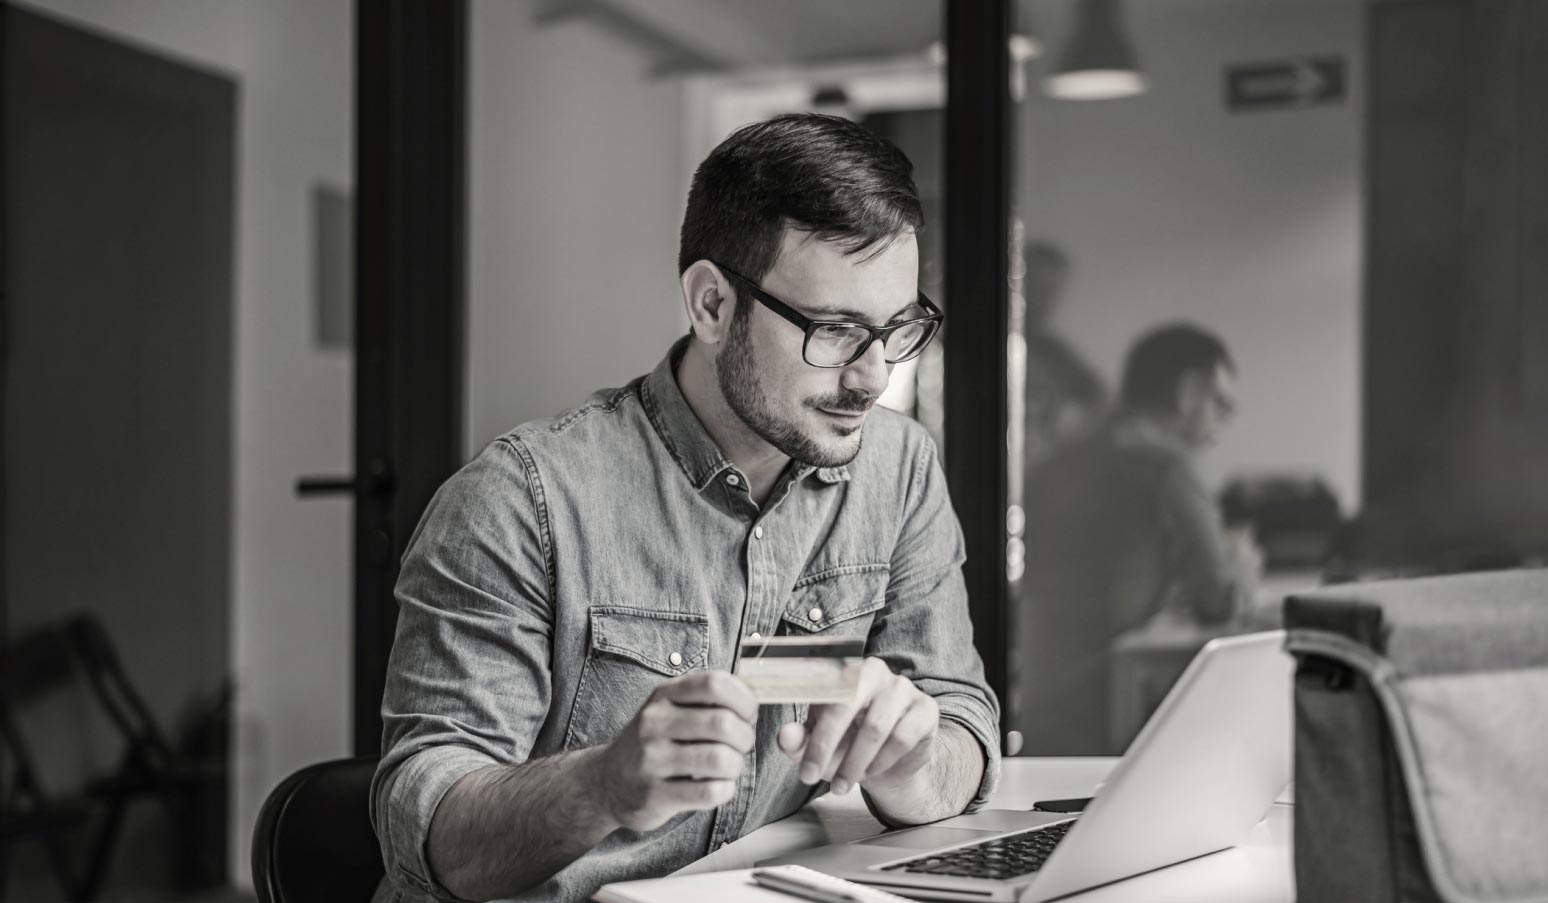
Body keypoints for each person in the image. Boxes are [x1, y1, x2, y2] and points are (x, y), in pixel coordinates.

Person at [369, 113, 999, 903]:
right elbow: (431, 840)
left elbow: (960, 718)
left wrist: (914, 767)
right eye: (836, 330)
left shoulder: (898, 470)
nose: (873, 377)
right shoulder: (518, 500)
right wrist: (603, 784)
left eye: (894, 328)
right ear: (710, 305)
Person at [1015, 323, 1262, 755]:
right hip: (1112, 712)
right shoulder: (1165, 470)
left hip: (1035, 709)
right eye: (1220, 404)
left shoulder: (1059, 462)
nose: (1221, 422)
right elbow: (1219, 602)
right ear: (1189, 393)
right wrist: (1240, 567)